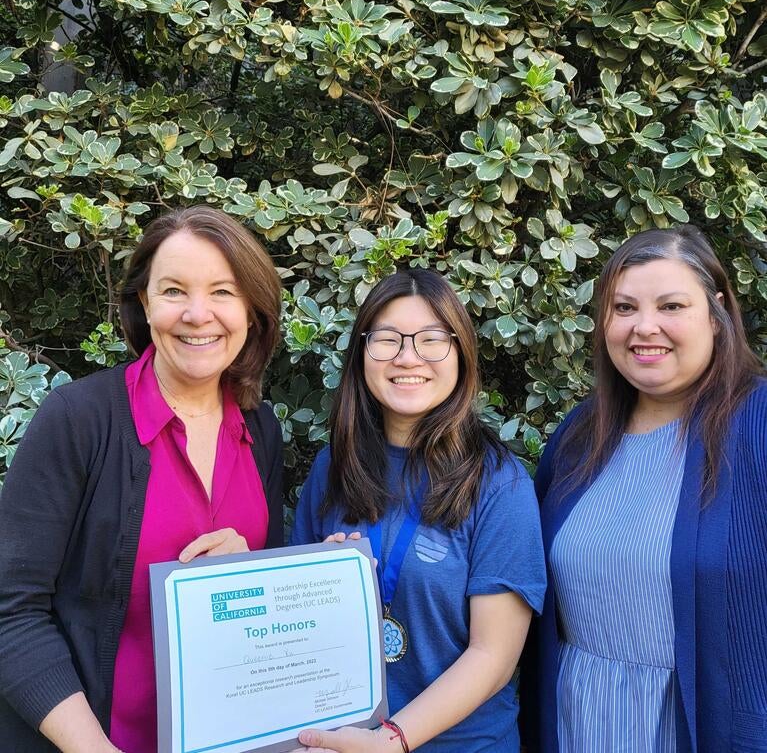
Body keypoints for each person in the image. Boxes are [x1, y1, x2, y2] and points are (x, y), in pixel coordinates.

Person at [0, 206, 285, 753]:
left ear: (252, 309)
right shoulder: (78, 421)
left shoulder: (261, 429)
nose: (198, 314)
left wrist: (248, 567)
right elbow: (13, 612)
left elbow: (257, 614)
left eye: (223, 292)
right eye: (174, 290)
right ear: (144, 304)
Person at [523, 225, 767, 752]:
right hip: (577, 723)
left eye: (672, 306)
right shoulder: (578, 435)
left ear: (717, 313)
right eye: (625, 307)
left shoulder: (759, 424)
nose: (645, 327)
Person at [291, 269, 546, 753]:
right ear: (362, 353)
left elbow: (493, 656)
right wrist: (319, 583)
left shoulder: (499, 482)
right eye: (387, 339)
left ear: (461, 353)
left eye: (431, 340)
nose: (408, 357)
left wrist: (393, 741)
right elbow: (297, 632)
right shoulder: (333, 467)